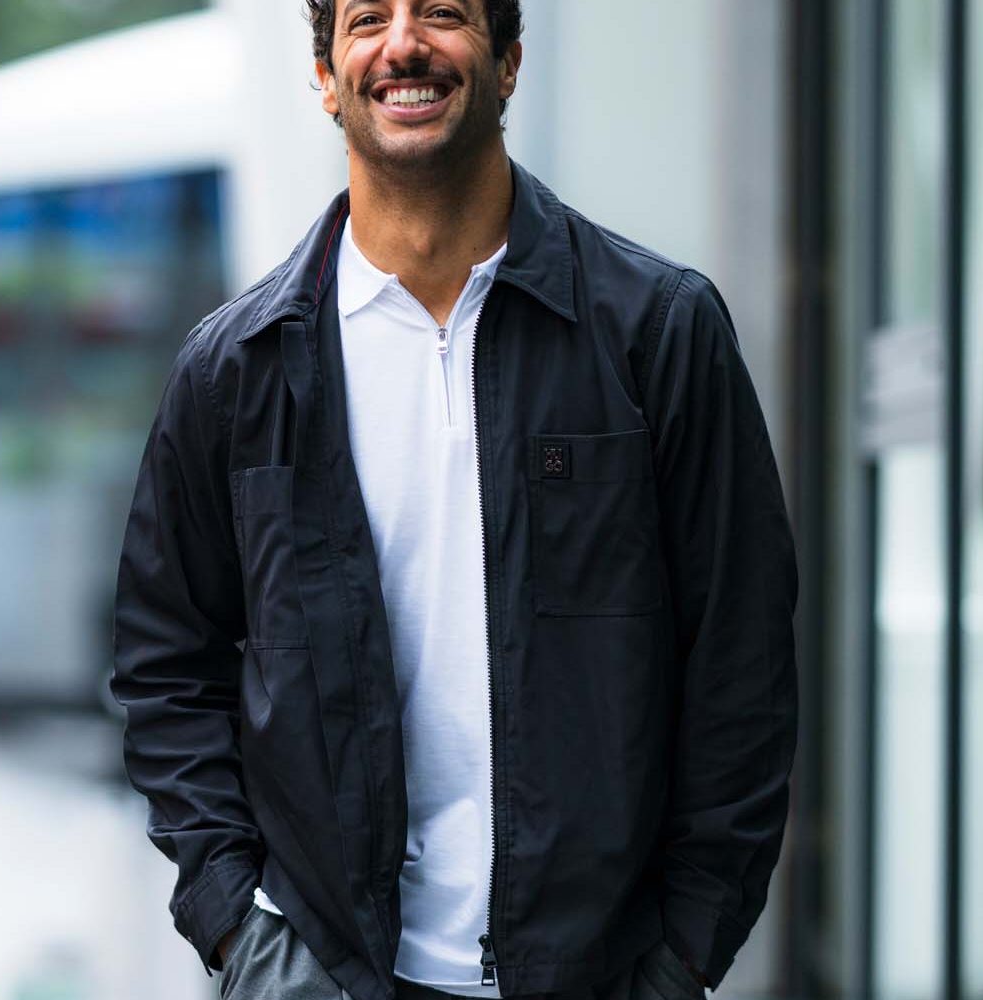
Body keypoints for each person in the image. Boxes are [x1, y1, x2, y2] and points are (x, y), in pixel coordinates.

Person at [109, 1, 798, 997]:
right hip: (333, 971)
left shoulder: (658, 335)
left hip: (598, 974)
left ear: (510, 59)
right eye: (366, 19)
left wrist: (682, 955)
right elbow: (165, 669)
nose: (404, 45)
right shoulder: (237, 371)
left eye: (442, 12)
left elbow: (744, 670)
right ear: (324, 73)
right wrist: (241, 931)